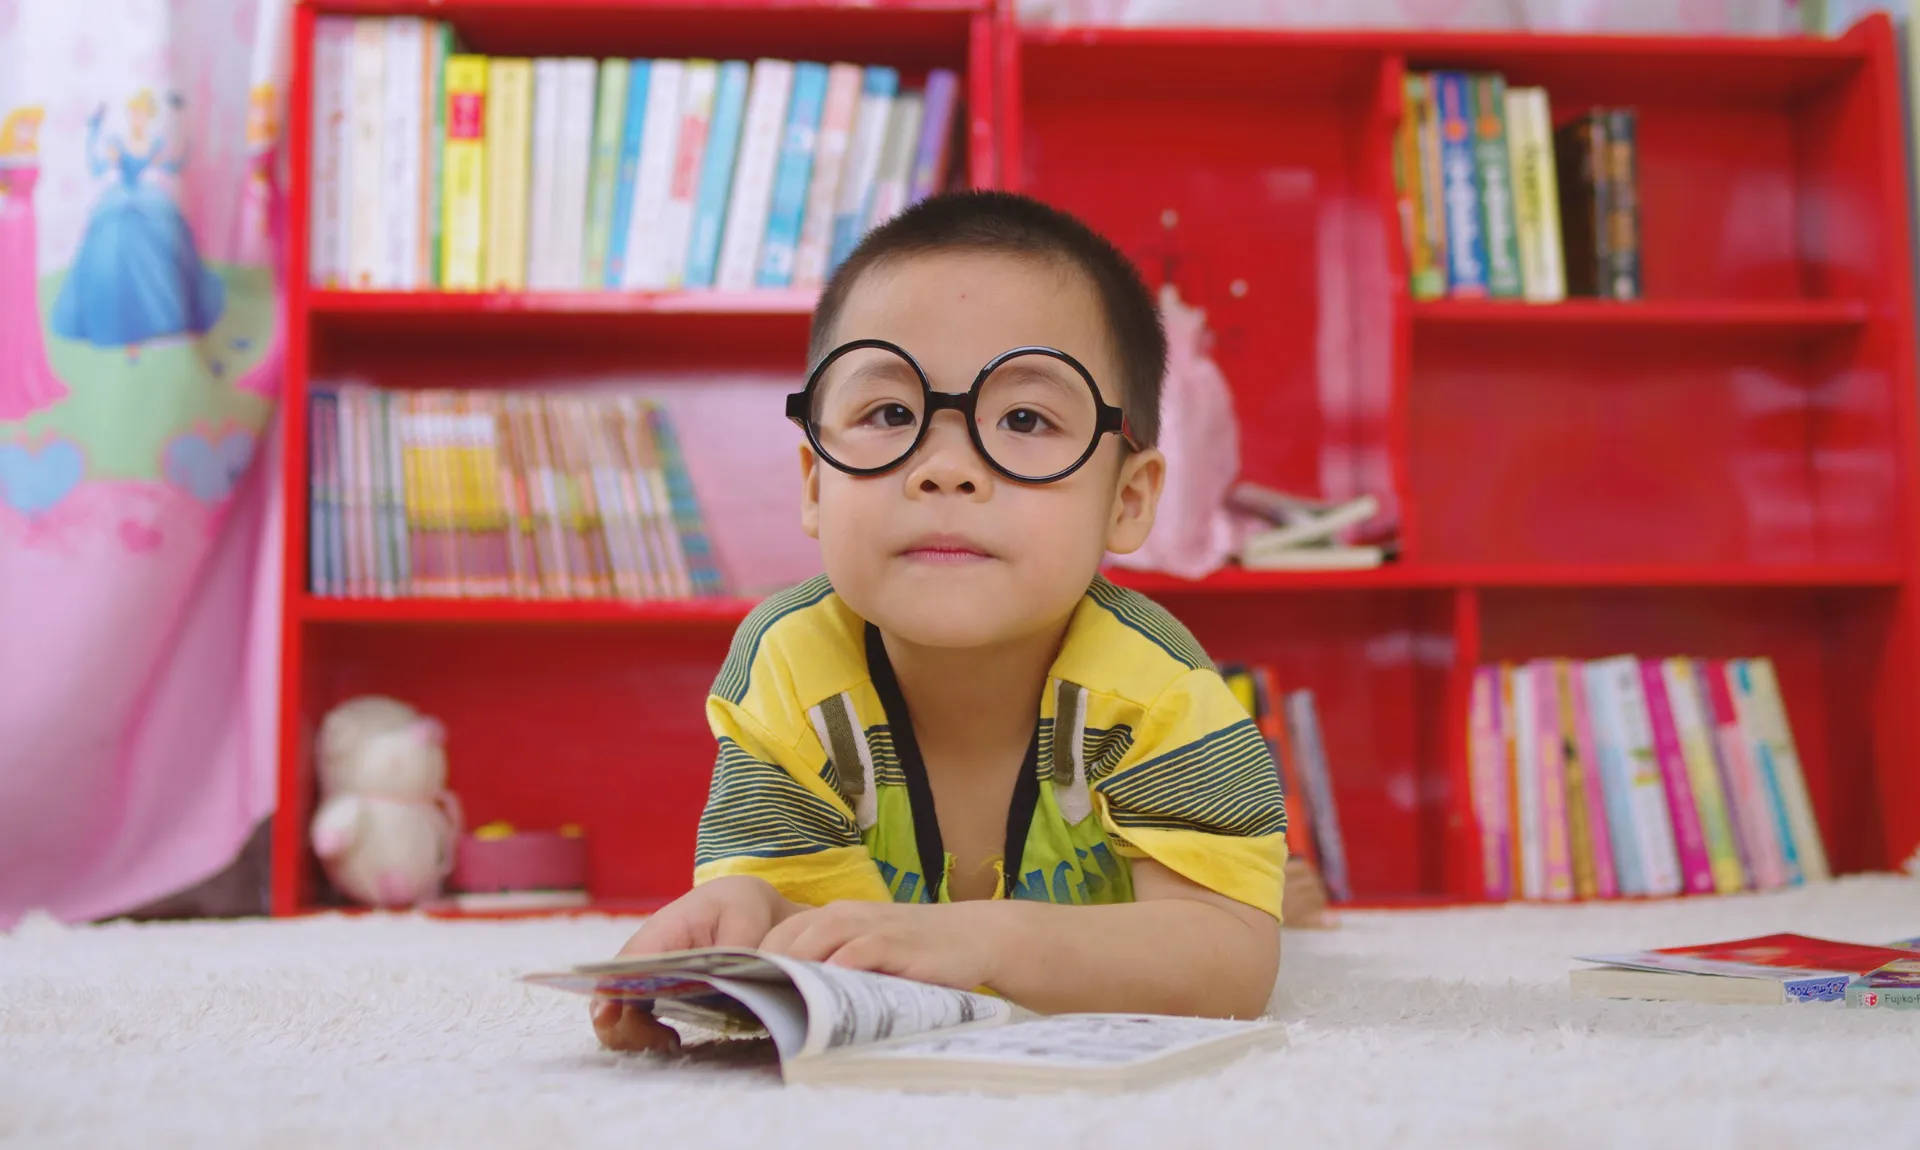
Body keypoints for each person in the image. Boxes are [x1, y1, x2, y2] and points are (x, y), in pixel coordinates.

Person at [595, 190, 1288, 1054]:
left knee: (1262, 896)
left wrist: (985, 939)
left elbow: (1231, 960)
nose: (947, 468)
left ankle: (1281, 878)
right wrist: (750, 913)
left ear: (1128, 499)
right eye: (891, 414)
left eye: (1025, 418)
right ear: (814, 484)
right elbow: (817, 926)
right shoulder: (789, 667)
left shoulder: (1159, 687)